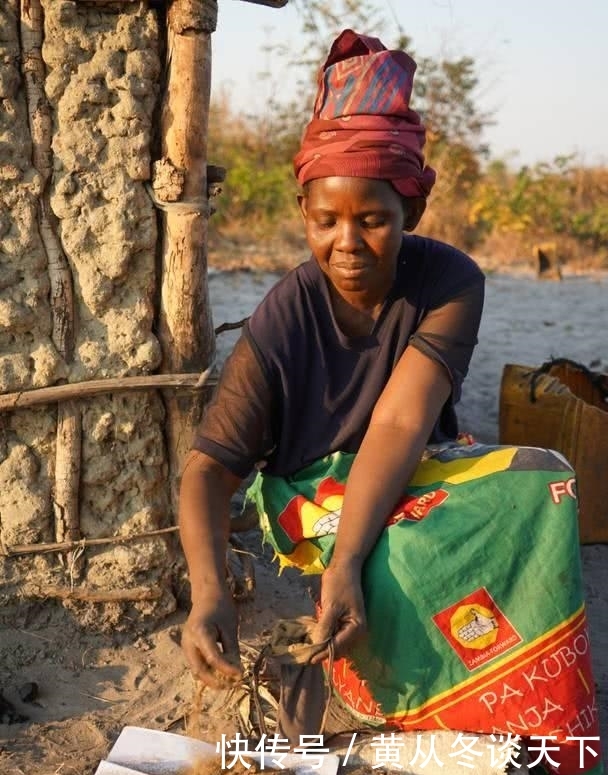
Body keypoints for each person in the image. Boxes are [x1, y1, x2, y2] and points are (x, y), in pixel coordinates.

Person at [179, 30, 603, 775]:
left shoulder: (450, 283)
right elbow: (208, 469)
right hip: (312, 491)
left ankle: (530, 705)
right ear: (304, 210)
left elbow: (404, 418)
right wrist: (209, 592)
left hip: (411, 460)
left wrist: (348, 560)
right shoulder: (285, 314)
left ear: (413, 206)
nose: (348, 242)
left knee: (546, 484)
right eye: (326, 221)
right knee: (403, 548)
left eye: (372, 219)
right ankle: (402, 696)